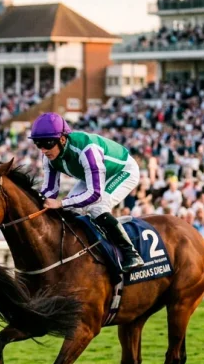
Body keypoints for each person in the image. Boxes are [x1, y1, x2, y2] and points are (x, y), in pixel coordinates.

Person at [31, 112, 145, 272]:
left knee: (98, 206)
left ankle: (131, 253)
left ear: (62, 139)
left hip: (123, 171)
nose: (43, 150)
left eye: (47, 143)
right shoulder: (49, 157)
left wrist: (61, 203)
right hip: (93, 175)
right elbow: (50, 190)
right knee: (71, 209)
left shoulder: (87, 150)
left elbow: (95, 194)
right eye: (38, 144)